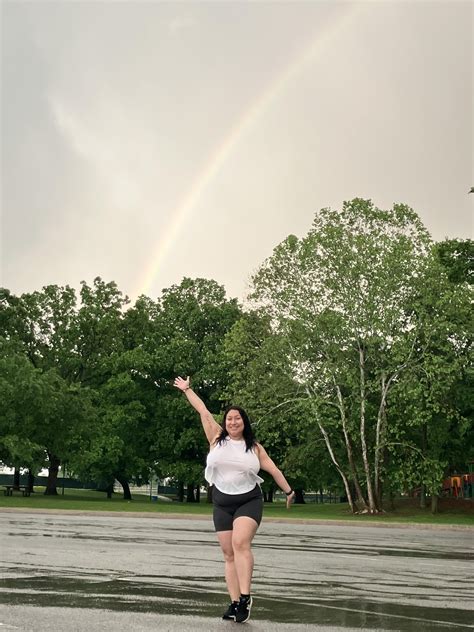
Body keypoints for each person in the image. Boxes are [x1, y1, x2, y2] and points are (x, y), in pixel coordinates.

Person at [173, 375, 295, 624]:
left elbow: (273, 469)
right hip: (222, 502)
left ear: (244, 422)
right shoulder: (216, 438)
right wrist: (187, 390)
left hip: (249, 500)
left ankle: (246, 597)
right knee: (228, 553)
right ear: (225, 422)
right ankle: (234, 602)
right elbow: (203, 410)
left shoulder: (254, 447)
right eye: (229, 418)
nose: (232, 421)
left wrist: (289, 491)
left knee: (241, 543)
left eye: (237, 418)